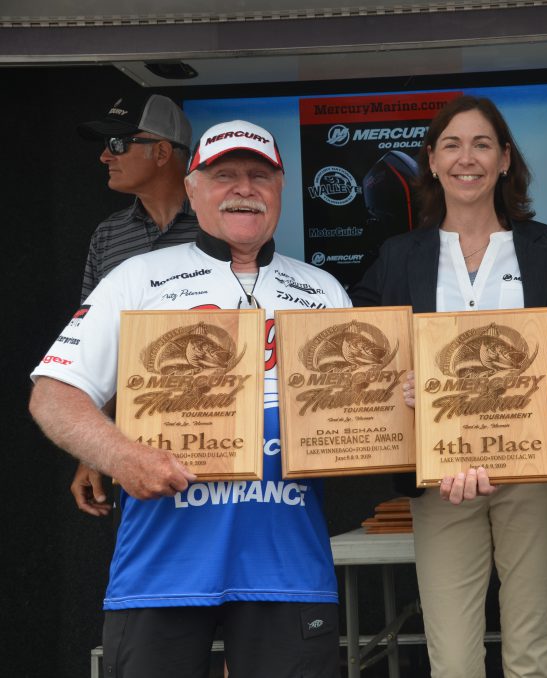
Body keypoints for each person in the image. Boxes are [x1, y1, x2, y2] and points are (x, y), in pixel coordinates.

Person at [30, 120, 349, 678]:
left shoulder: (324, 290)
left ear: (280, 190)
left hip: (288, 569)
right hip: (163, 570)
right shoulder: (135, 279)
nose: (244, 188)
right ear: (193, 189)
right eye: (224, 175)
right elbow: (53, 394)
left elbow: (360, 412)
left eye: (260, 176)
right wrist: (121, 456)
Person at [350, 95, 547, 678]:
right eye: (451, 145)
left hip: (535, 477)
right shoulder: (398, 257)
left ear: (505, 159)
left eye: (482, 144)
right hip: (442, 480)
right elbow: (362, 357)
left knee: (531, 658)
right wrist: (395, 385)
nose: (466, 158)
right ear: (430, 160)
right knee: (452, 662)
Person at [71, 92, 200, 517]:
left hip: (226, 436)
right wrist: (94, 450)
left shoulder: (223, 226)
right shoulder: (108, 236)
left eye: (118, 143)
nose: (105, 156)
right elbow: (96, 350)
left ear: (161, 152)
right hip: (137, 450)